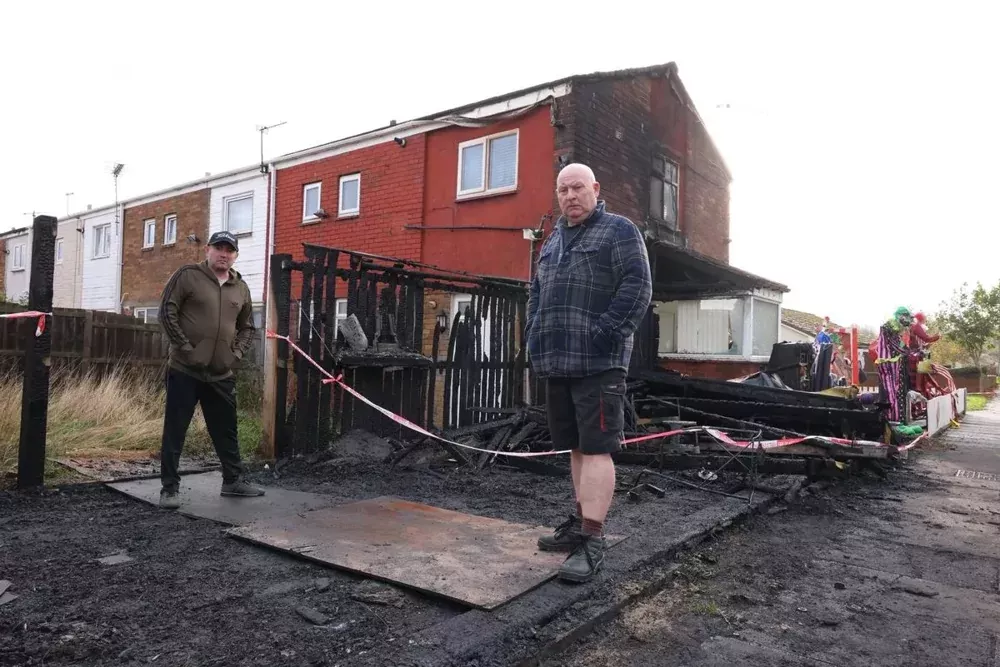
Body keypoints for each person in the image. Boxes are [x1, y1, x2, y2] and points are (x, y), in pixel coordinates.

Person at [526, 163, 652, 583]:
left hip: (598, 361)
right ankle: (581, 525)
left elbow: (637, 286)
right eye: (562, 190)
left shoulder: (618, 230)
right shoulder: (553, 240)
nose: (570, 196)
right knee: (576, 447)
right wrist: (533, 333)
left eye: (577, 187)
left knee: (596, 448)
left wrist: (605, 334)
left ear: (595, 188)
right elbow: (536, 293)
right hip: (556, 359)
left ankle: (593, 540)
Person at [157, 231, 265, 509]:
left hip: (221, 373)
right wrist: (186, 349)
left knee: (226, 430)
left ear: (235, 255)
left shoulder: (240, 288)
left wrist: (235, 355)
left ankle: (232, 481)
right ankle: (169, 488)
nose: (223, 254)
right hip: (185, 370)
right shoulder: (188, 276)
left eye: (229, 250)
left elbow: (247, 328)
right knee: (176, 430)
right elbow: (167, 312)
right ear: (207, 249)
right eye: (219, 248)